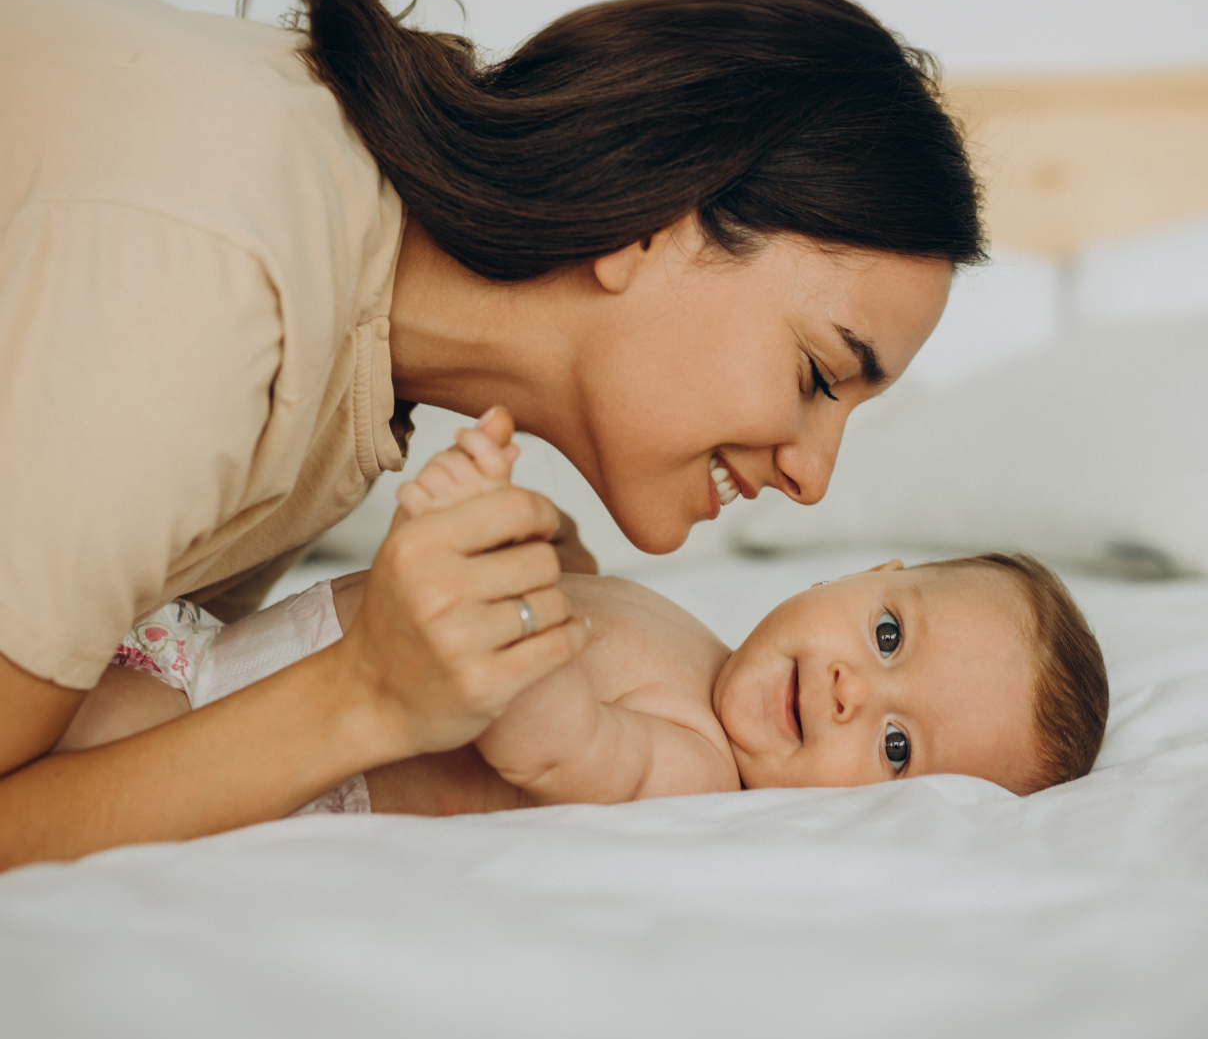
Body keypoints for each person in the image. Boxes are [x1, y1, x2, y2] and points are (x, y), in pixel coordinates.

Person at [0, 0, 981, 868]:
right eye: (817, 374)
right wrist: (365, 693)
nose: (813, 478)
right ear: (649, 219)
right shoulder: (220, 282)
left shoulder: (356, 377)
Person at [58, 409, 1109, 809]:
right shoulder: (694, 644)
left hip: (231, 740)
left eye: (893, 747)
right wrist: (547, 543)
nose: (849, 690)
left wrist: (482, 566)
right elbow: (594, 607)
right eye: (885, 637)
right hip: (211, 651)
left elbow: (551, 739)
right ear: (861, 575)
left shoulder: (693, 763)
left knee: (65, 741)